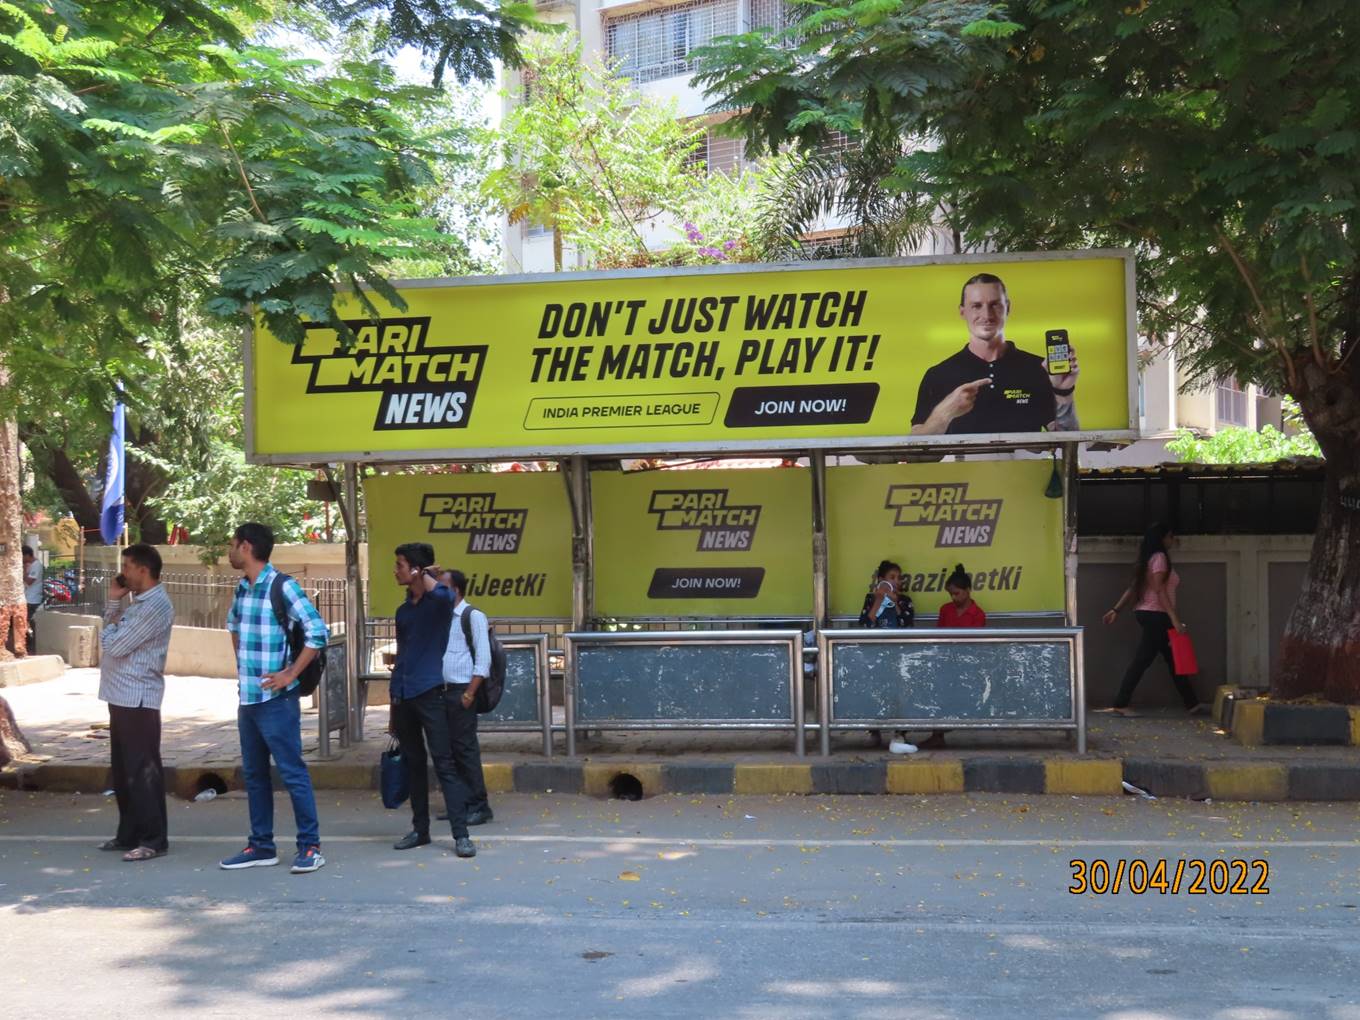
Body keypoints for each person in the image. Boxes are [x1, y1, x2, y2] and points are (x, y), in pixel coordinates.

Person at [220, 522, 330, 874]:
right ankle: (261, 845)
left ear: (246, 547)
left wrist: (289, 674)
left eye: (233, 544)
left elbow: (317, 631)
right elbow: (233, 627)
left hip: (278, 701)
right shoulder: (242, 588)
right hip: (249, 699)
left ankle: (310, 847)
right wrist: (243, 668)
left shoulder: (282, 586)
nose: (230, 550)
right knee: (254, 775)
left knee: (292, 772)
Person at [388, 544, 476, 858]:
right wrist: (393, 705)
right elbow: (401, 656)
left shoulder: (439, 603)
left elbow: (442, 594)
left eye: (400, 565)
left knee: (445, 764)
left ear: (415, 569)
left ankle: (461, 835)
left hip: (430, 694)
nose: (395, 570)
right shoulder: (403, 611)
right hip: (404, 694)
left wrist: (426, 575)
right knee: (414, 765)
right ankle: (420, 830)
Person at [910, 273, 1080, 436]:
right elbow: (915, 451)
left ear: (1008, 308)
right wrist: (945, 413)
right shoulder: (938, 374)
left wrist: (1063, 392)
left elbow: (1067, 445)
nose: (987, 315)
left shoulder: (1039, 368)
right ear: (963, 312)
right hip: (959, 467)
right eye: (976, 306)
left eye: (995, 305)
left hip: (1024, 466)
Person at [97, 543, 175, 862]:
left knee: (142, 770)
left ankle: (153, 838)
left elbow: (115, 646)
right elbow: (114, 635)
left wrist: (110, 628)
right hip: (120, 694)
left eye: (128, 566)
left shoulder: (154, 606)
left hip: (138, 696)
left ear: (144, 570)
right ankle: (128, 832)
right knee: (123, 770)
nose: (123, 572)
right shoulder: (137, 602)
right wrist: (114, 603)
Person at [1099, 523, 1204, 717]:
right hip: (1156, 614)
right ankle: (1121, 703)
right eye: (1170, 536)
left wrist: (1116, 609)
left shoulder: (1149, 559)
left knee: (1173, 660)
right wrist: (1174, 620)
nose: (1173, 540)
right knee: (1143, 660)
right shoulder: (1160, 559)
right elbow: (1159, 590)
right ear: (1162, 539)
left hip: (1149, 613)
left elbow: (1133, 588)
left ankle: (1192, 703)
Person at [434, 568, 494, 828]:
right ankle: (459, 804)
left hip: (461, 692)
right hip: (440, 691)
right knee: (446, 752)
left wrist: (470, 692)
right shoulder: (440, 616)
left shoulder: (473, 616)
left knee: (465, 750)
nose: (438, 591)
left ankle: (479, 805)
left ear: (456, 590)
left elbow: (483, 658)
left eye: (443, 587)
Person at [918, 564, 988, 750]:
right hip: (944, 661)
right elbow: (938, 635)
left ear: (967, 591)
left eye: (957, 593)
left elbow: (974, 644)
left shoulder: (978, 614)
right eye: (951, 594)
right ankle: (937, 734)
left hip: (966, 665)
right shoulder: (945, 609)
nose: (953, 598)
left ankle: (941, 732)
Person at [22, 546, 42, 654]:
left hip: (33, 600)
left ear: (27, 555)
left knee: (27, 623)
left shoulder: (36, 566)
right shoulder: (32, 565)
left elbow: (29, 581)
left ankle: (31, 647)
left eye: (23, 556)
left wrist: (24, 571)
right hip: (28, 598)